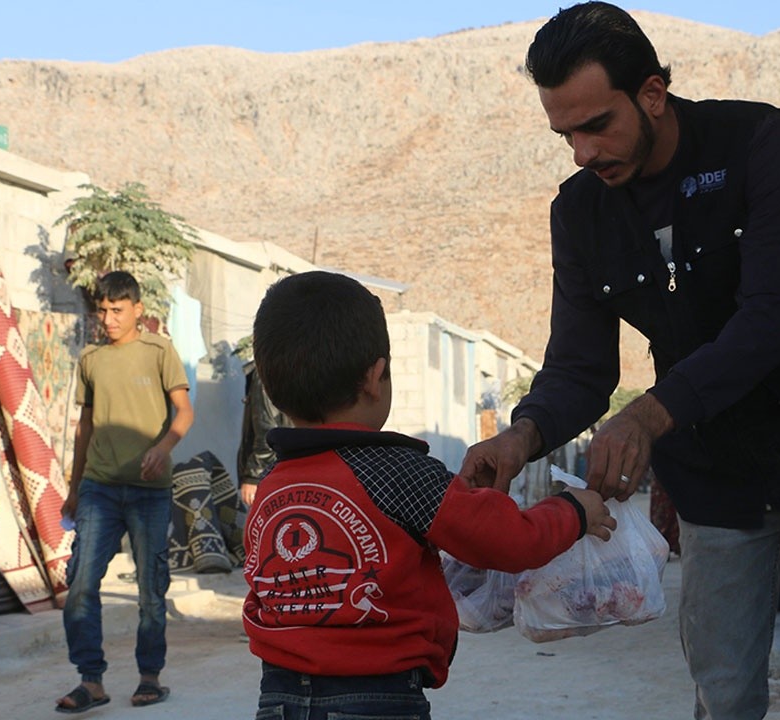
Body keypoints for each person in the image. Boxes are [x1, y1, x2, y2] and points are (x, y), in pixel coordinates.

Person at [457, 4, 780, 718]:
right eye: (565, 133)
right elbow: (579, 367)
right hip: (718, 474)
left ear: (653, 93)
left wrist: (647, 415)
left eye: (597, 124)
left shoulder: (762, 144)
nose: (581, 151)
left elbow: (769, 320)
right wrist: (523, 435)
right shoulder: (579, 213)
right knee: (722, 699)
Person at [243, 270, 615, 719]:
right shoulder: (401, 474)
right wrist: (573, 511)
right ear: (375, 378)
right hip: (377, 699)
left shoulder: (272, 487)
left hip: (277, 697)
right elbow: (509, 541)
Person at [56, 271, 194, 713]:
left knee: (151, 588)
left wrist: (164, 447)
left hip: (149, 491)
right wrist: (73, 489)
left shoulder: (159, 350)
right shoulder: (91, 358)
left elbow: (185, 411)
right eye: (103, 310)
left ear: (137, 309)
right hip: (99, 487)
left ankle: (149, 676)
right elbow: (86, 427)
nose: (109, 319)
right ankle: (90, 680)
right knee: (80, 583)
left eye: (117, 310)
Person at [235, 354, 291, 507]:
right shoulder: (301, 366)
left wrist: (253, 476)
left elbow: (267, 429)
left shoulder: (266, 372)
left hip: (272, 473)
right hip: (291, 468)